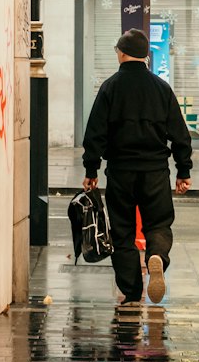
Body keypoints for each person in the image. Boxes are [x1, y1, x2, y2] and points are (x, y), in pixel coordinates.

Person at [82, 27, 192, 305]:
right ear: (145, 57)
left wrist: (91, 170)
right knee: (159, 224)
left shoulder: (109, 87)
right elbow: (180, 133)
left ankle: (131, 292)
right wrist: (183, 170)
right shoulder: (162, 88)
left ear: (121, 53)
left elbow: (95, 133)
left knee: (122, 232)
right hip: (155, 171)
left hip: (120, 171)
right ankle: (157, 256)